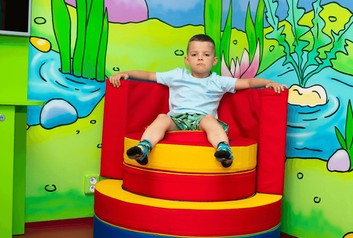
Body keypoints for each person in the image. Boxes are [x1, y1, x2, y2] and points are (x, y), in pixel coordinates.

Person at [109, 34, 286, 168]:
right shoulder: (177, 74)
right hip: (177, 120)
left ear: (214, 60)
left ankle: (224, 150)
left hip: (202, 120)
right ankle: (144, 148)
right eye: (194, 54)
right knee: (162, 117)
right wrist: (126, 73)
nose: (200, 58)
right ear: (187, 60)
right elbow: (148, 75)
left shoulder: (218, 80)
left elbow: (247, 82)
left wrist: (267, 83)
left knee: (209, 119)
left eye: (206, 54)